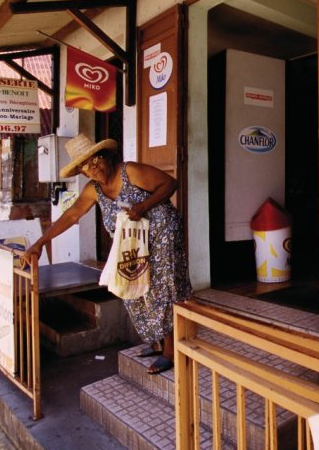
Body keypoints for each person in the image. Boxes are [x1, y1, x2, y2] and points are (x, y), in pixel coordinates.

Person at [20, 134, 192, 374]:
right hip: (132, 244)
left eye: (96, 159)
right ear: (83, 173)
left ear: (106, 157)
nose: (94, 167)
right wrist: (39, 243)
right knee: (132, 288)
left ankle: (170, 352)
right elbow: (71, 215)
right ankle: (157, 340)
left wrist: (142, 207)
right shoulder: (94, 189)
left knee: (160, 289)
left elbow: (170, 184)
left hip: (163, 234)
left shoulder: (129, 171)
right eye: (86, 166)